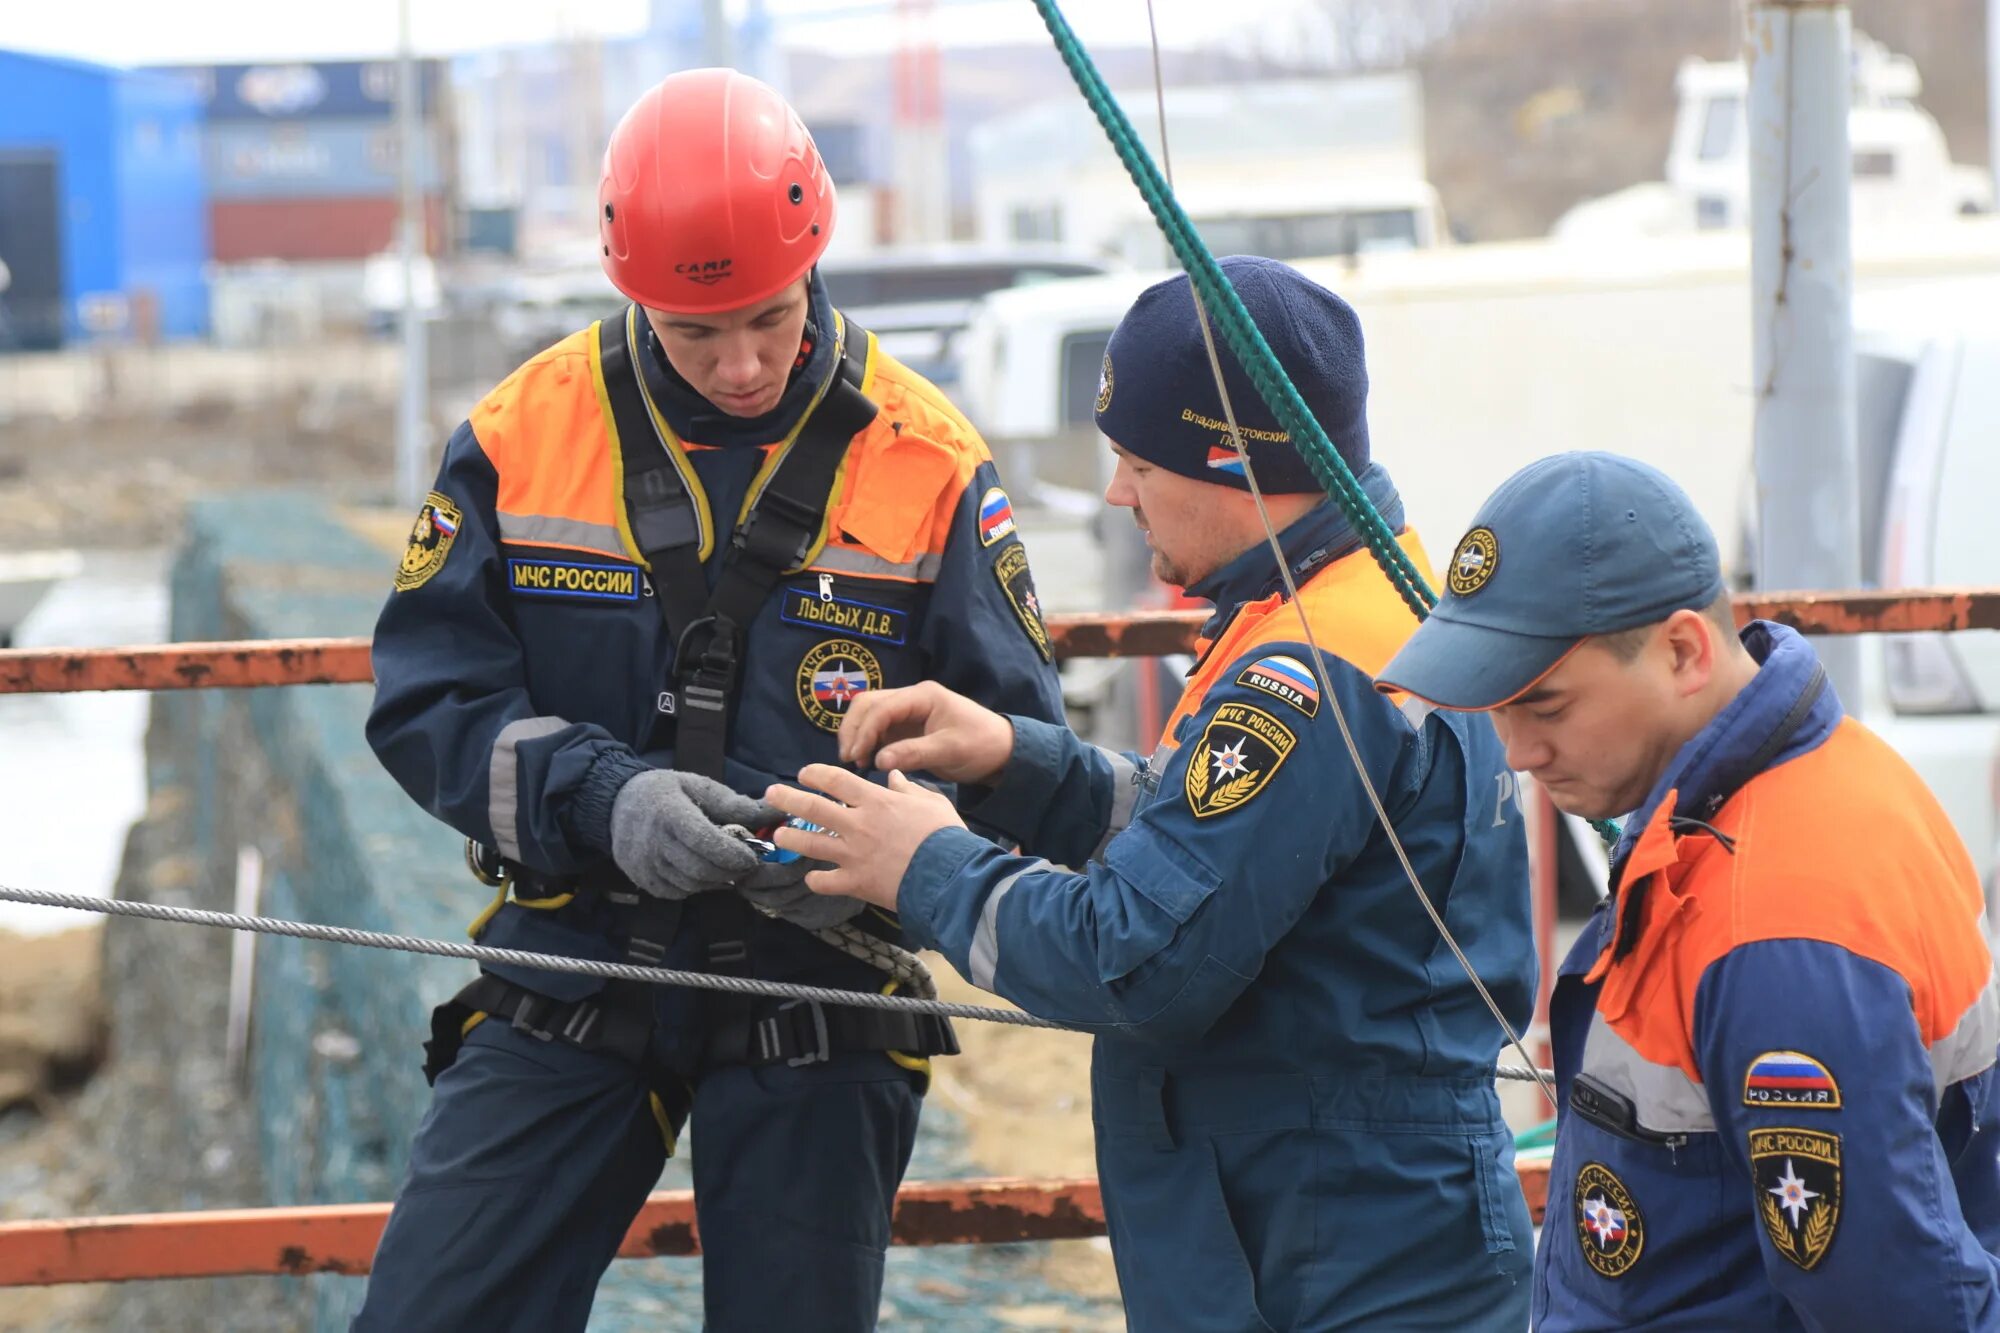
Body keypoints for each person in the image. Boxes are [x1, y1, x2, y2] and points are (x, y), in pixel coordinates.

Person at [356, 68, 1065, 1331]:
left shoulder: (928, 460)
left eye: (770, 320)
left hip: (823, 981)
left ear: (813, 267)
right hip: (573, 959)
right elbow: (430, 697)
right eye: (697, 334)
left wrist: (880, 856)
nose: (741, 366)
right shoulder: (524, 433)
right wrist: (603, 798)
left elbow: (1017, 749)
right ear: (630, 290)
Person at [765, 255, 1540, 1330]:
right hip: (1346, 1218)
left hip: (1333, 1250)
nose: (1116, 493)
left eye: (1136, 462)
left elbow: (1134, 957)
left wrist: (923, 863)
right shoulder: (1350, 603)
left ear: (1236, 461)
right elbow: (1228, 844)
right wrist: (1018, 760)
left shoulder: (1306, 669)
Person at [1371, 450, 2000, 1330]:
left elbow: (1889, 1303)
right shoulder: (1811, 780)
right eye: (1500, 711)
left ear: (1681, 651)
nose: (1518, 751)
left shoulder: (1775, 925)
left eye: (1546, 707)